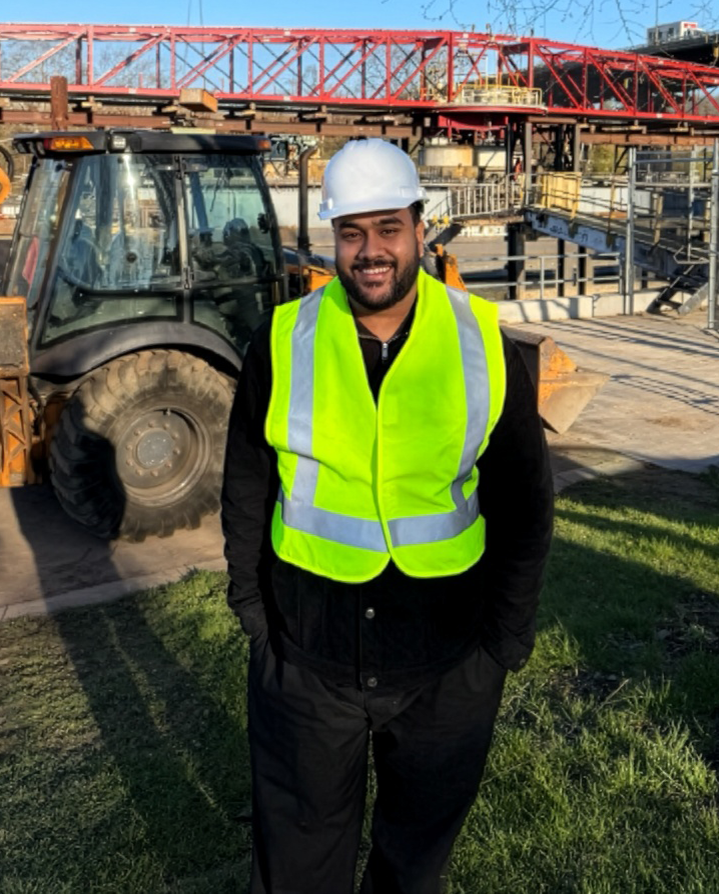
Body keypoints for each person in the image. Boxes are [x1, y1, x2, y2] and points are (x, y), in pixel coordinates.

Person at [221, 137, 554, 894]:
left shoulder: (483, 343)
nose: (370, 251)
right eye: (351, 232)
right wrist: (254, 616)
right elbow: (246, 483)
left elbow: (525, 502)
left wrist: (502, 644)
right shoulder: (281, 341)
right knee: (299, 866)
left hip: (447, 662)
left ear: (419, 228)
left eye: (388, 229)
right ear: (333, 238)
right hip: (307, 658)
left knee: (412, 865)